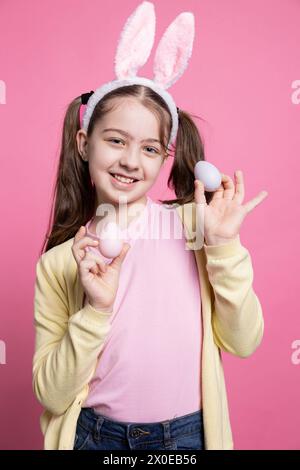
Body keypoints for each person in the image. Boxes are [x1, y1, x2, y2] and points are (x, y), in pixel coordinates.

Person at [32, 1, 268, 450]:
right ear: (84, 144)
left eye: (149, 149)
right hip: (94, 438)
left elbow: (244, 341)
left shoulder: (195, 229)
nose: (128, 161)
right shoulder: (61, 265)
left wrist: (224, 247)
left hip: (187, 436)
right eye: (116, 140)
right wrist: (95, 311)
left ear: (166, 157)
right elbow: (51, 392)